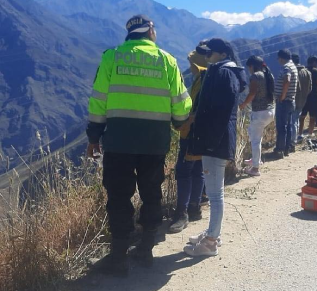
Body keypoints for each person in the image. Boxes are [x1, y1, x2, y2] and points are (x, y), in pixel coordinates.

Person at [86, 15, 191, 275]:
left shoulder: (112, 57)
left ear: (129, 33)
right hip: (154, 141)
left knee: (119, 195)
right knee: (151, 192)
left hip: (119, 141)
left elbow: (99, 100)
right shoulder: (167, 60)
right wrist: (180, 122)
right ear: (151, 32)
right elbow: (181, 103)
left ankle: (119, 256)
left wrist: (93, 137)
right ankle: (145, 249)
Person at [186, 38, 246, 257]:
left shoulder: (224, 73)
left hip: (215, 141)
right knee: (214, 191)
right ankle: (212, 232)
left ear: (221, 54)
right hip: (215, 140)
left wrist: (209, 141)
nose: (207, 56)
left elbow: (221, 112)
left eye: (209, 53)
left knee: (215, 194)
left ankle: (211, 241)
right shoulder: (223, 70)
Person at [168, 46, 209, 234]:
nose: (190, 66)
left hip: (190, 133)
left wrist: (183, 121)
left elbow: (195, 111)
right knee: (198, 170)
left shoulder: (201, 82)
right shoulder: (207, 80)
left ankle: (181, 212)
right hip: (201, 134)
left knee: (184, 171)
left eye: (192, 63)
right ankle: (194, 206)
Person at [239, 56, 275, 176]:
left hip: (260, 112)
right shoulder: (267, 74)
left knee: (255, 140)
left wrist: (243, 104)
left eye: (249, 67)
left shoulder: (255, 76)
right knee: (254, 134)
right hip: (270, 110)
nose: (249, 69)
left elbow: (252, 93)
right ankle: (255, 159)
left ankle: (255, 168)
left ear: (252, 66)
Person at [272, 49, 298, 158]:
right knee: (288, 126)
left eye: (278, 58)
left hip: (284, 101)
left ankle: (279, 150)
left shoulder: (286, 67)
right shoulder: (293, 66)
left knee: (281, 126)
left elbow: (287, 80)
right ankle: (287, 148)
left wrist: (282, 96)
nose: (278, 60)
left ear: (281, 58)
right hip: (291, 100)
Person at [299, 56, 317, 138]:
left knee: (302, 116)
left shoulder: (302, 71)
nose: (316, 64)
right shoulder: (316, 72)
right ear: (313, 62)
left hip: (303, 97)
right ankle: (310, 134)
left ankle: (300, 134)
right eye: (316, 63)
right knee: (312, 117)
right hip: (313, 96)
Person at [291, 54, 312, 147]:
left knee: (293, 121)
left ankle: (292, 140)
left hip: (292, 99)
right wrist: (304, 95)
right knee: (297, 118)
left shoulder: (292, 71)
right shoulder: (307, 72)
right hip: (303, 100)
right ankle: (296, 136)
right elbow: (310, 88)